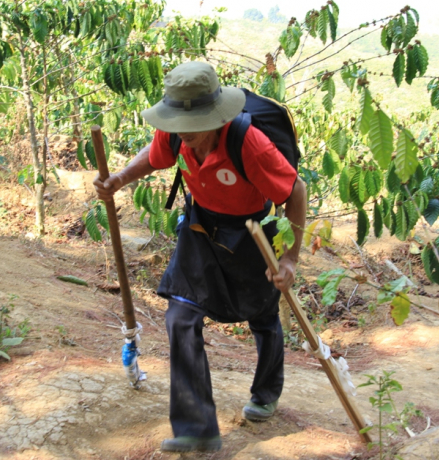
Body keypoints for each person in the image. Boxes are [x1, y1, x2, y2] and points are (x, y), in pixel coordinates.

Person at [94, 61, 306, 453]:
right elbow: (155, 155)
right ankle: (197, 426)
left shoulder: (249, 143)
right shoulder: (176, 131)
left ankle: (266, 392)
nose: (185, 138)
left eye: (194, 130)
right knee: (180, 316)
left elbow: (296, 191)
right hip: (200, 228)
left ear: (217, 117)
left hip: (252, 233)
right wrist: (119, 179)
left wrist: (290, 258)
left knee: (262, 312)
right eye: (178, 129)